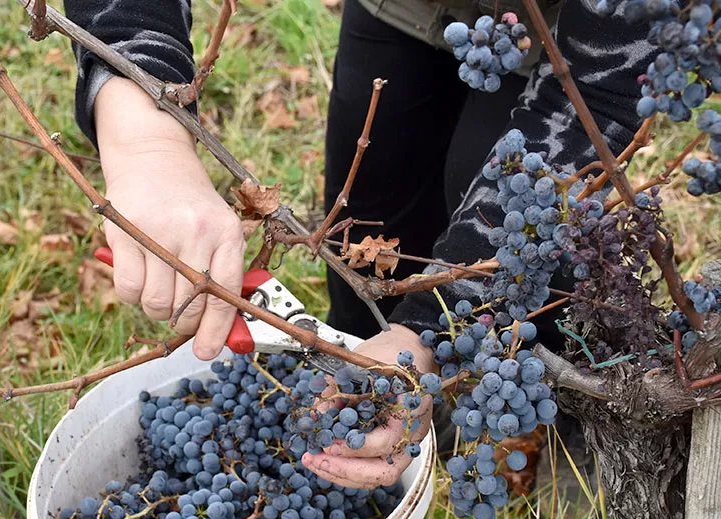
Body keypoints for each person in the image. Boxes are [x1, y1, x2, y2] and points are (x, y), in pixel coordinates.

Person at [63, 0, 655, 489]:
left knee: (512, 225)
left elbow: (598, 98)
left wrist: (430, 330)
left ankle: (550, 429)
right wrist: (147, 140)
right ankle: (370, 383)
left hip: (572, 32)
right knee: (370, 219)